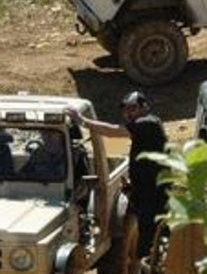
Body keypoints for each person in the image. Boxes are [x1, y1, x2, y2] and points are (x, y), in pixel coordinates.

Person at [72, 91, 168, 256]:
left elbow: (113, 131)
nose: (128, 113)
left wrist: (83, 121)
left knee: (152, 239)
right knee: (148, 237)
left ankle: (155, 268)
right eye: (126, 110)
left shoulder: (147, 123)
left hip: (154, 195)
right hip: (145, 192)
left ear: (144, 107)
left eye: (133, 109)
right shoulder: (144, 125)